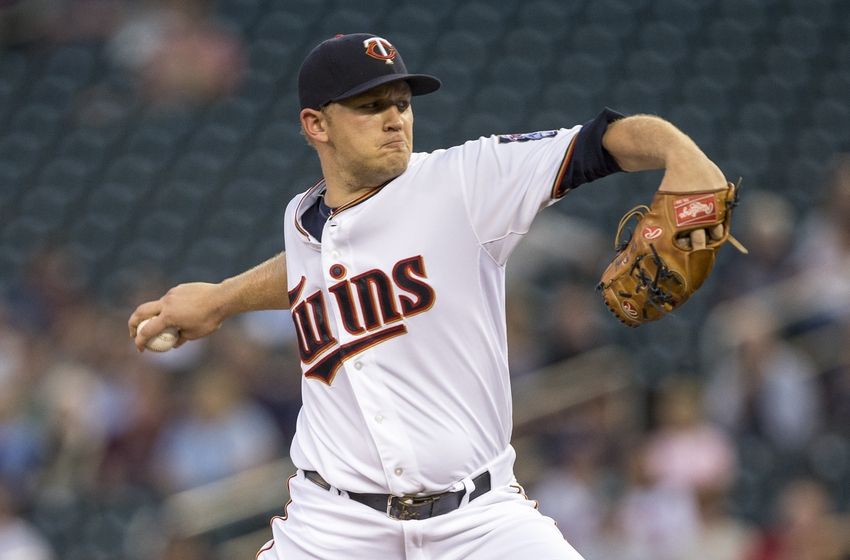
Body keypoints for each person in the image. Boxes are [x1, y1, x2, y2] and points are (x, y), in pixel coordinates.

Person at [129, 33, 733, 560]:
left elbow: (608, 141)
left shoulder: (463, 183)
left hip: (478, 519)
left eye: (401, 103)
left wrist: (684, 157)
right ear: (316, 125)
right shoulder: (303, 217)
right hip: (334, 525)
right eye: (371, 106)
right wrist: (220, 300)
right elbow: (315, 266)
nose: (395, 118)